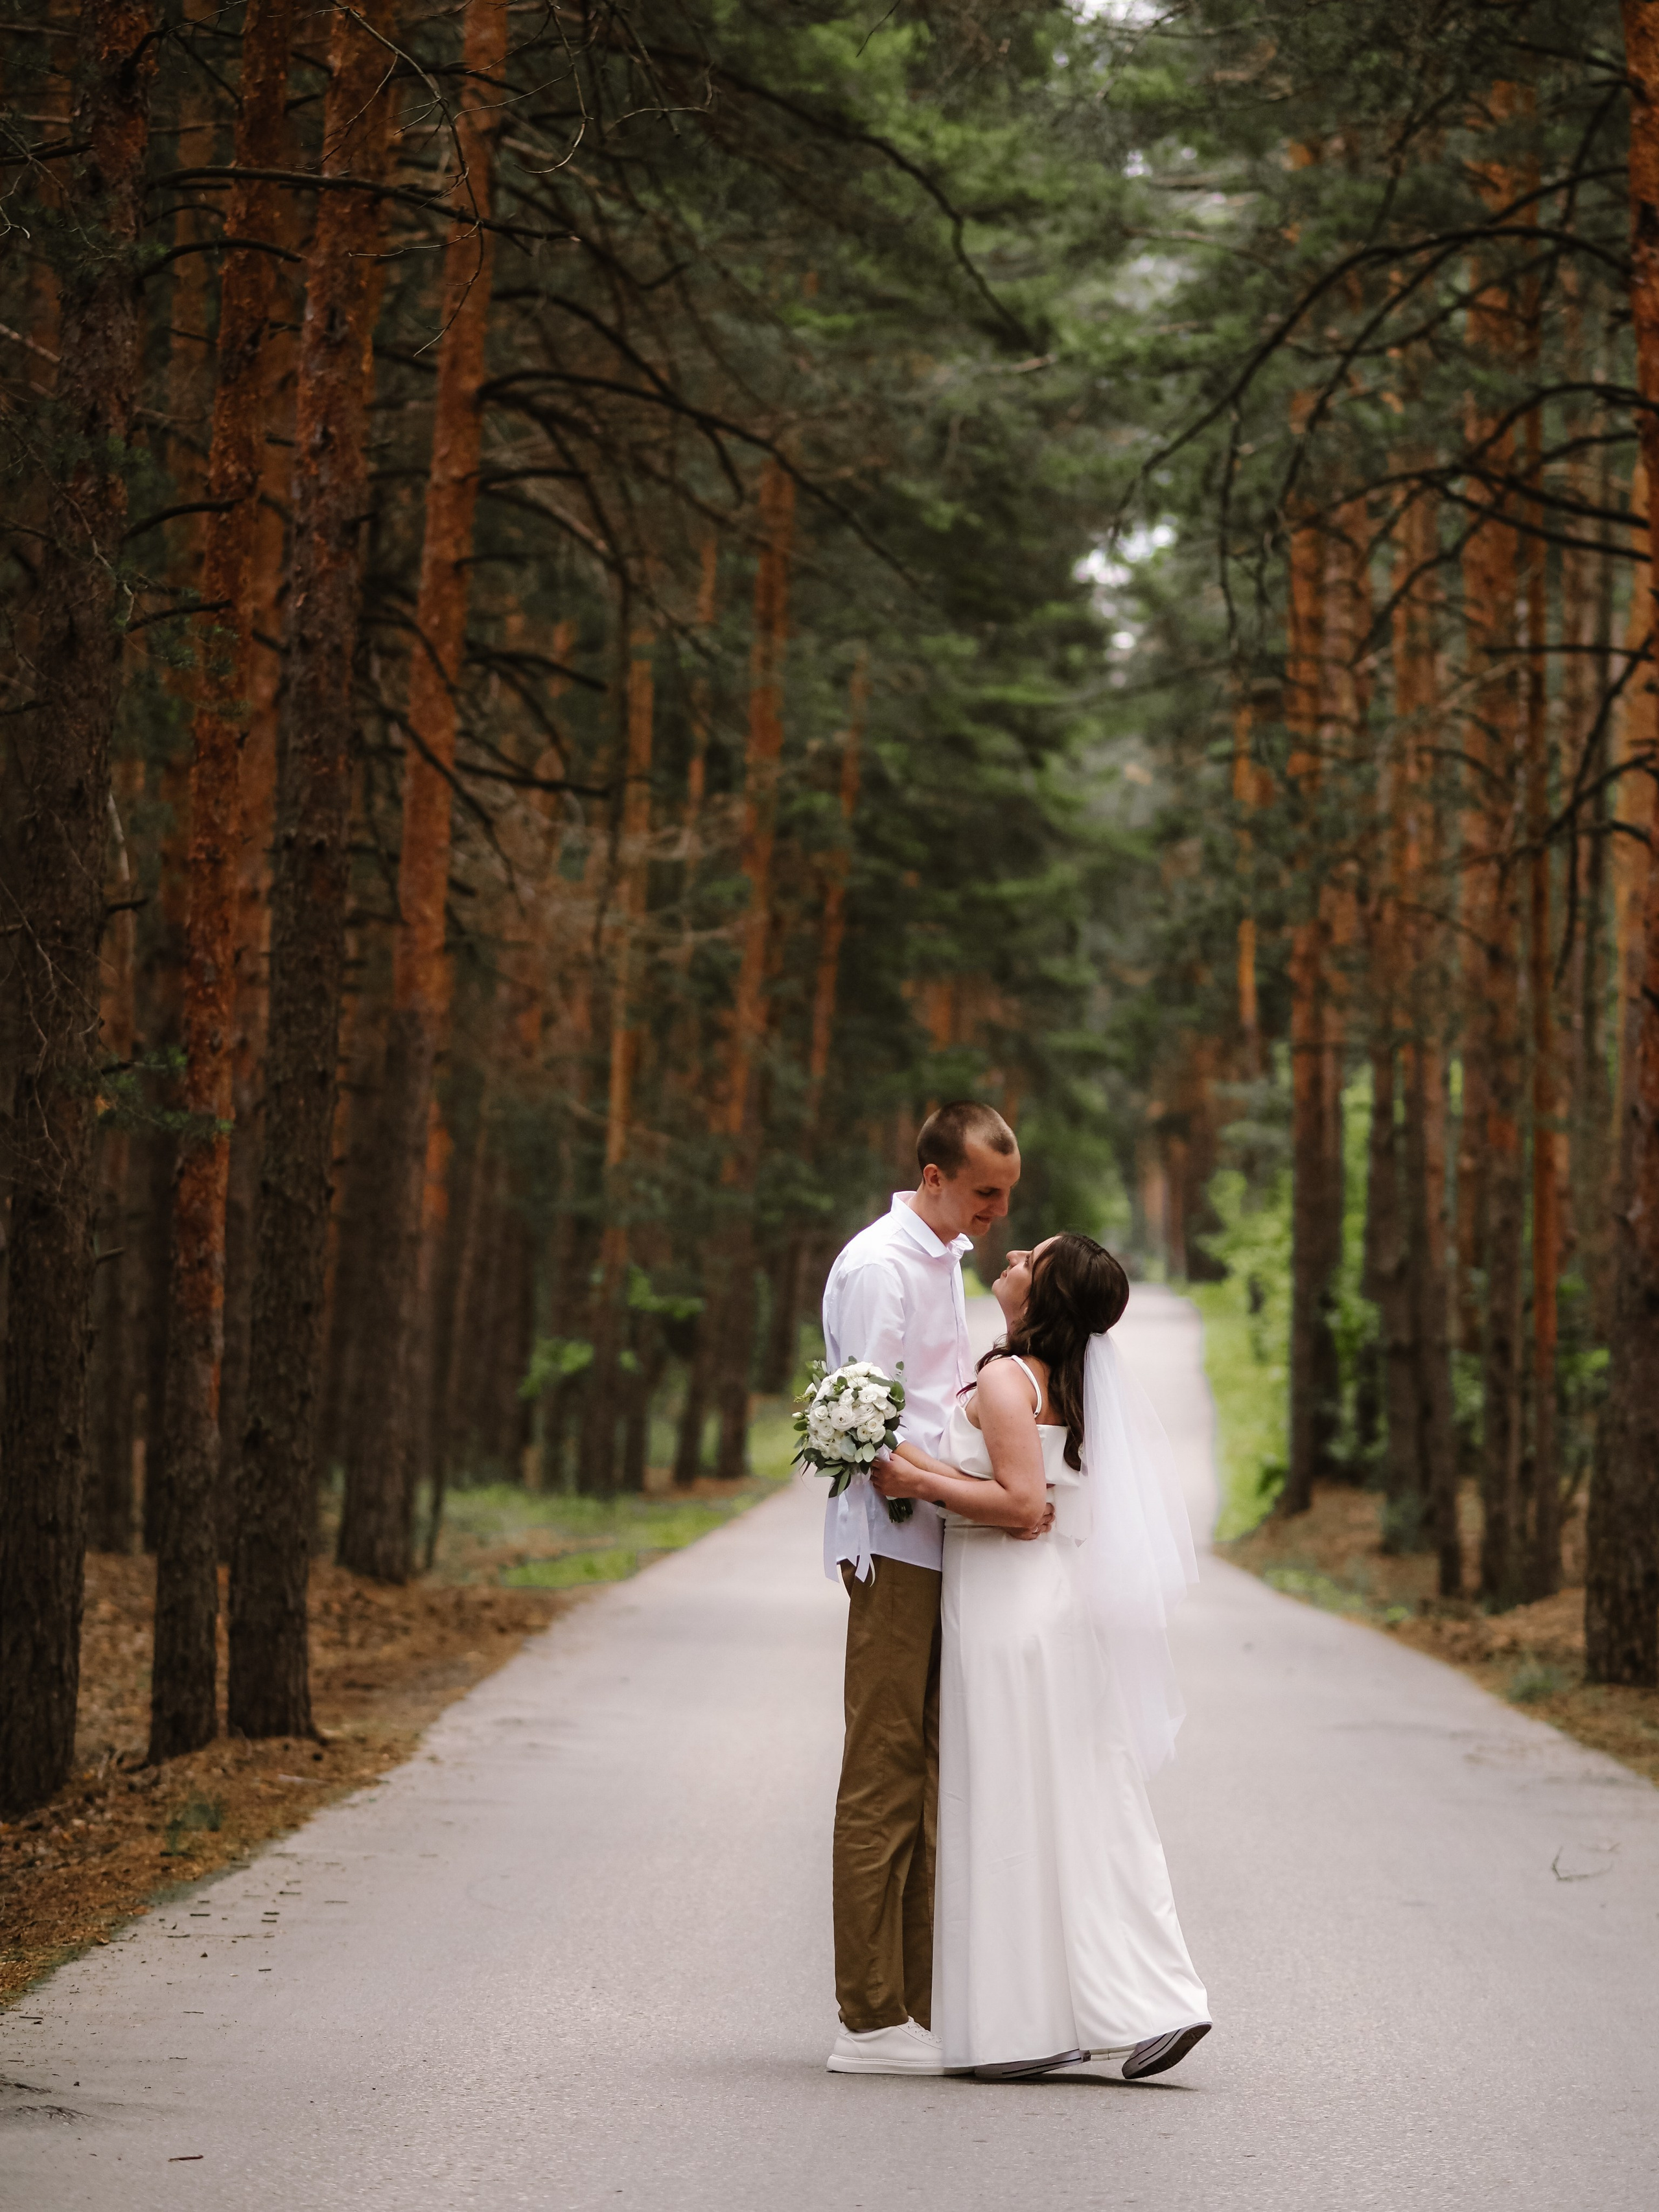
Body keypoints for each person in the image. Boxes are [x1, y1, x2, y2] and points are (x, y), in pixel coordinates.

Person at [874, 1232, 1212, 2083]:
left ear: (1042, 1294)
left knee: (1011, 1801)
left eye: (1034, 1256)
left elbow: (1022, 1503)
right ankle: (1156, 1998)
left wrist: (915, 1482)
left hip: (1011, 1609)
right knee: (1087, 1798)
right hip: (1062, 1610)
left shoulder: (1005, 1377)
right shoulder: (1075, 1382)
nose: (1014, 1252)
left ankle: (1023, 2025)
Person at [820, 1102, 1038, 2079]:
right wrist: (955, 1491)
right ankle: (866, 2019)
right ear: (936, 1173)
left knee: (933, 1775)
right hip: (895, 1542)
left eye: (1006, 1192)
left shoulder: (941, 1258)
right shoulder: (881, 1266)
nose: (997, 1208)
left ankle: (916, 2003)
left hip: (941, 1542)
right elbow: (864, 1415)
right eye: (985, 1191)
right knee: (884, 1773)